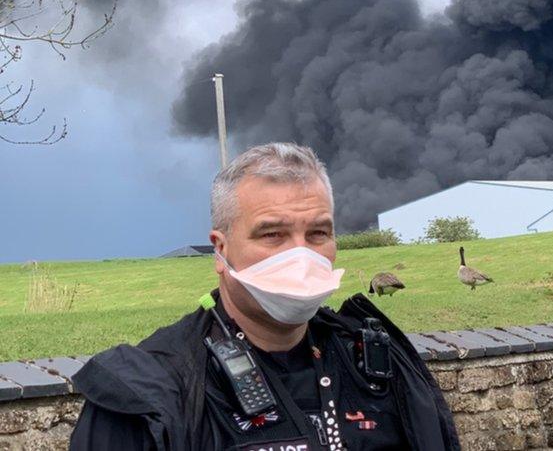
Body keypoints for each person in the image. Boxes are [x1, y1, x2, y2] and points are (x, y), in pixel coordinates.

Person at [69, 143, 459, 451]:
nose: (301, 254)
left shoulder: (376, 364)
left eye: (319, 234)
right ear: (220, 251)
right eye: (272, 234)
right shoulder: (150, 393)